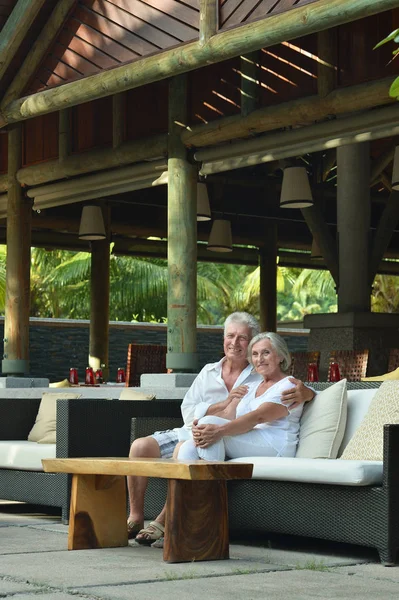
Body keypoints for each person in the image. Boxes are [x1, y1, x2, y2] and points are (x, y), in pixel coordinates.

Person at [127, 312, 314, 546]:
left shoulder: (260, 378)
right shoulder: (209, 371)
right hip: (199, 430)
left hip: (234, 436)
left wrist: (309, 393)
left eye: (243, 338)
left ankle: (175, 521)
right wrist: (219, 409)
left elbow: (256, 415)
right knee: (142, 446)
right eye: (230, 336)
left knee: (192, 445)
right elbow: (191, 410)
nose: (235, 343)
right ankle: (145, 518)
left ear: (279, 357)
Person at [178, 332, 303, 461]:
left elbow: (258, 417)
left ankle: (211, 479)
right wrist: (199, 426)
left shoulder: (289, 385)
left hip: (276, 444)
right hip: (251, 437)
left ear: (280, 356)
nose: (259, 359)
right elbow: (228, 414)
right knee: (188, 446)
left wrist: (219, 430)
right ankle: (189, 481)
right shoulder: (250, 386)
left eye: (266, 353)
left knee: (209, 431)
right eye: (255, 354)